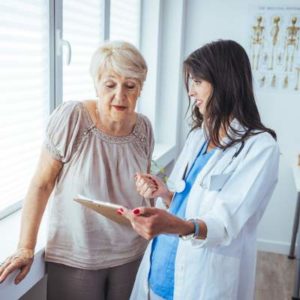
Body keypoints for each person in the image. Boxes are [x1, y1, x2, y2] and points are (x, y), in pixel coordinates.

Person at [120, 40, 280, 300]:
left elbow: (225, 225)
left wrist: (179, 225)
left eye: (198, 82)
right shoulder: (199, 135)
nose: (191, 93)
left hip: (203, 281)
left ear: (224, 82)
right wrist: (166, 195)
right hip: (159, 269)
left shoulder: (260, 148)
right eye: (190, 83)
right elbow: (187, 201)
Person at [0, 40, 154, 300]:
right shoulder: (73, 118)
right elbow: (42, 183)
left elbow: (143, 187)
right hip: (77, 257)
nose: (120, 95)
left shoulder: (144, 128)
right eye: (110, 85)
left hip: (131, 254)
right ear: (96, 84)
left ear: (140, 89)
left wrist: (149, 189)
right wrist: (26, 247)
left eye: (130, 86)